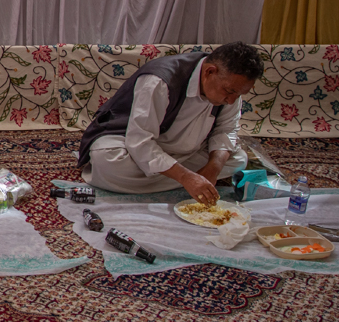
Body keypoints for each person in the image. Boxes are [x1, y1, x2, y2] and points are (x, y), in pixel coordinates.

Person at [78, 42, 265, 204]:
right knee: (108, 162)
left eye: (238, 94)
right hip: (131, 145)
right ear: (209, 72)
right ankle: (186, 178)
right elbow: (140, 141)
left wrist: (213, 168)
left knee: (238, 159)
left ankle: (179, 175)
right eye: (229, 91)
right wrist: (185, 176)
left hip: (187, 152)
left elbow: (227, 130)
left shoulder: (230, 90)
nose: (232, 101)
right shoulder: (159, 81)